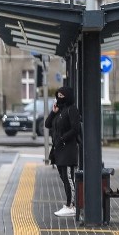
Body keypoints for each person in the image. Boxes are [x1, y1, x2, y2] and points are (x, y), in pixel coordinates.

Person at [45, 86, 81, 217]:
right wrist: (53, 112)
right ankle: (69, 203)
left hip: (68, 149)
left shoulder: (72, 110)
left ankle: (71, 205)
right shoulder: (59, 110)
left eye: (62, 95)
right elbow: (47, 124)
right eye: (58, 95)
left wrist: (62, 138)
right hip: (58, 150)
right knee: (63, 177)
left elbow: (75, 129)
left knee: (69, 177)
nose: (59, 98)